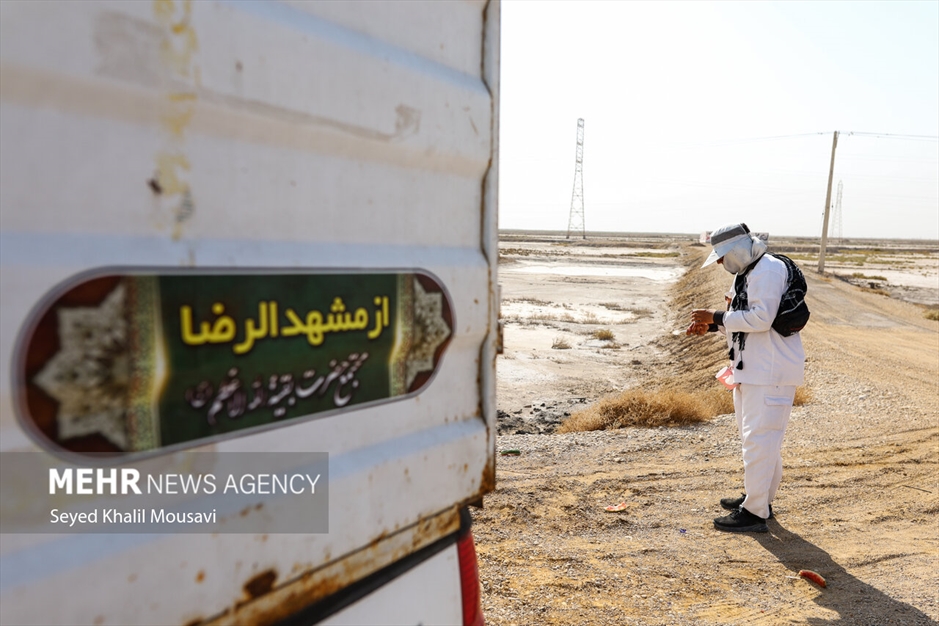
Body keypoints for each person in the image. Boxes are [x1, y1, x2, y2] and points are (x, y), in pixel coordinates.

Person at [686, 223, 805, 533]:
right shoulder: (749, 272)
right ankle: (758, 498)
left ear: (738, 250)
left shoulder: (767, 270)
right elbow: (740, 319)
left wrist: (715, 317)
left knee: (759, 440)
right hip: (752, 370)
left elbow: (760, 318)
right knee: (760, 441)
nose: (722, 264)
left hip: (769, 372)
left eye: (723, 257)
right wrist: (713, 326)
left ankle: (754, 512)